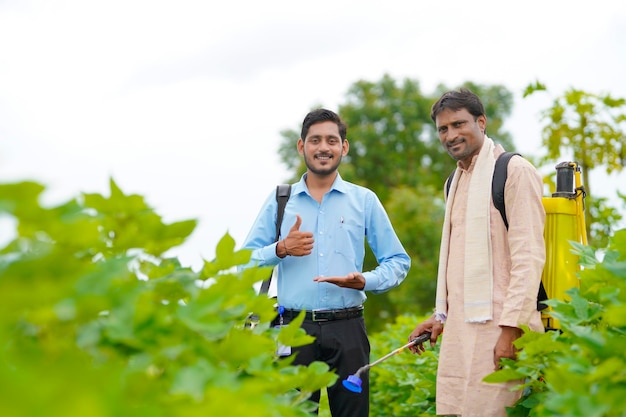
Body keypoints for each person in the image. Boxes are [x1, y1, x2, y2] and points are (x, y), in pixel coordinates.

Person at [241, 108, 410, 416]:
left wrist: (365, 280)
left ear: (343, 147)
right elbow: (243, 266)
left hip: (349, 330)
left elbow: (398, 261)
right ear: (301, 146)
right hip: (291, 332)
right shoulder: (281, 200)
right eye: (315, 140)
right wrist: (280, 249)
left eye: (331, 140)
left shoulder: (364, 200)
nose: (323, 147)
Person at [408, 89, 546, 417]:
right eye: (443, 129)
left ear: (481, 122)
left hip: (501, 331)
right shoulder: (453, 183)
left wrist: (512, 330)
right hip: (459, 334)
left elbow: (529, 256)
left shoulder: (513, 171)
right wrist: (440, 315)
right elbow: (457, 266)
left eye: (459, 124)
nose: (451, 135)